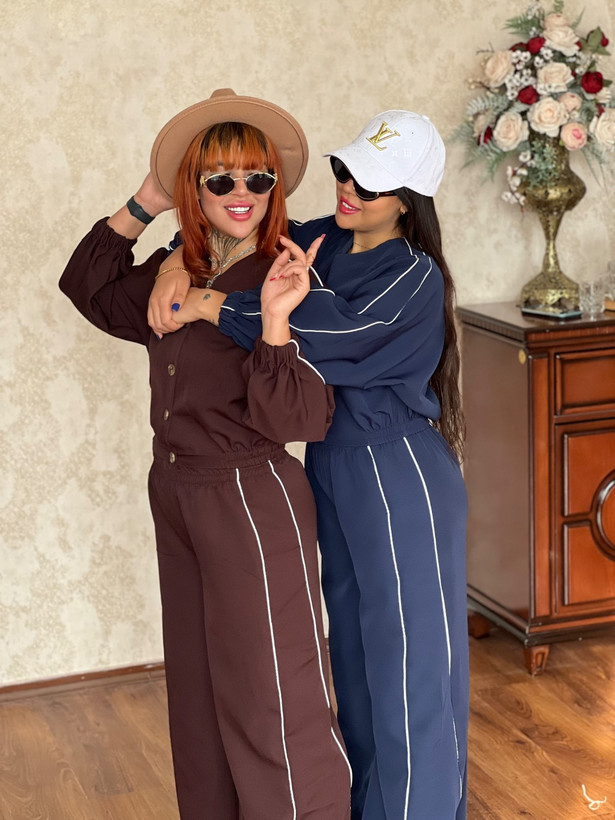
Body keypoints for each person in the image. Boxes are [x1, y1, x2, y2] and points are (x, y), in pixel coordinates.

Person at [151, 109, 469, 820]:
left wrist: (209, 305)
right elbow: (228, 233)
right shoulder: (319, 241)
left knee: (412, 664)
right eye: (344, 171)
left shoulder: (413, 276)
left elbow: (328, 336)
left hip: (398, 471)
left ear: (407, 200)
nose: (348, 188)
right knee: (351, 659)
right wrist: (175, 262)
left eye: (370, 184)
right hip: (330, 465)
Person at [59, 89, 352, 820]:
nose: (240, 192)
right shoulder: (180, 266)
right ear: (195, 188)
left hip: (250, 494)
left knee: (274, 695)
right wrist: (148, 200)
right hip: (178, 491)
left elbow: (299, 419)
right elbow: (88, 288)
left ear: (276, 185)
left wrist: (276, 323)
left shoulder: (289, 275)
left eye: (258, 176)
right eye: (218, 177)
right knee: (197, 697)